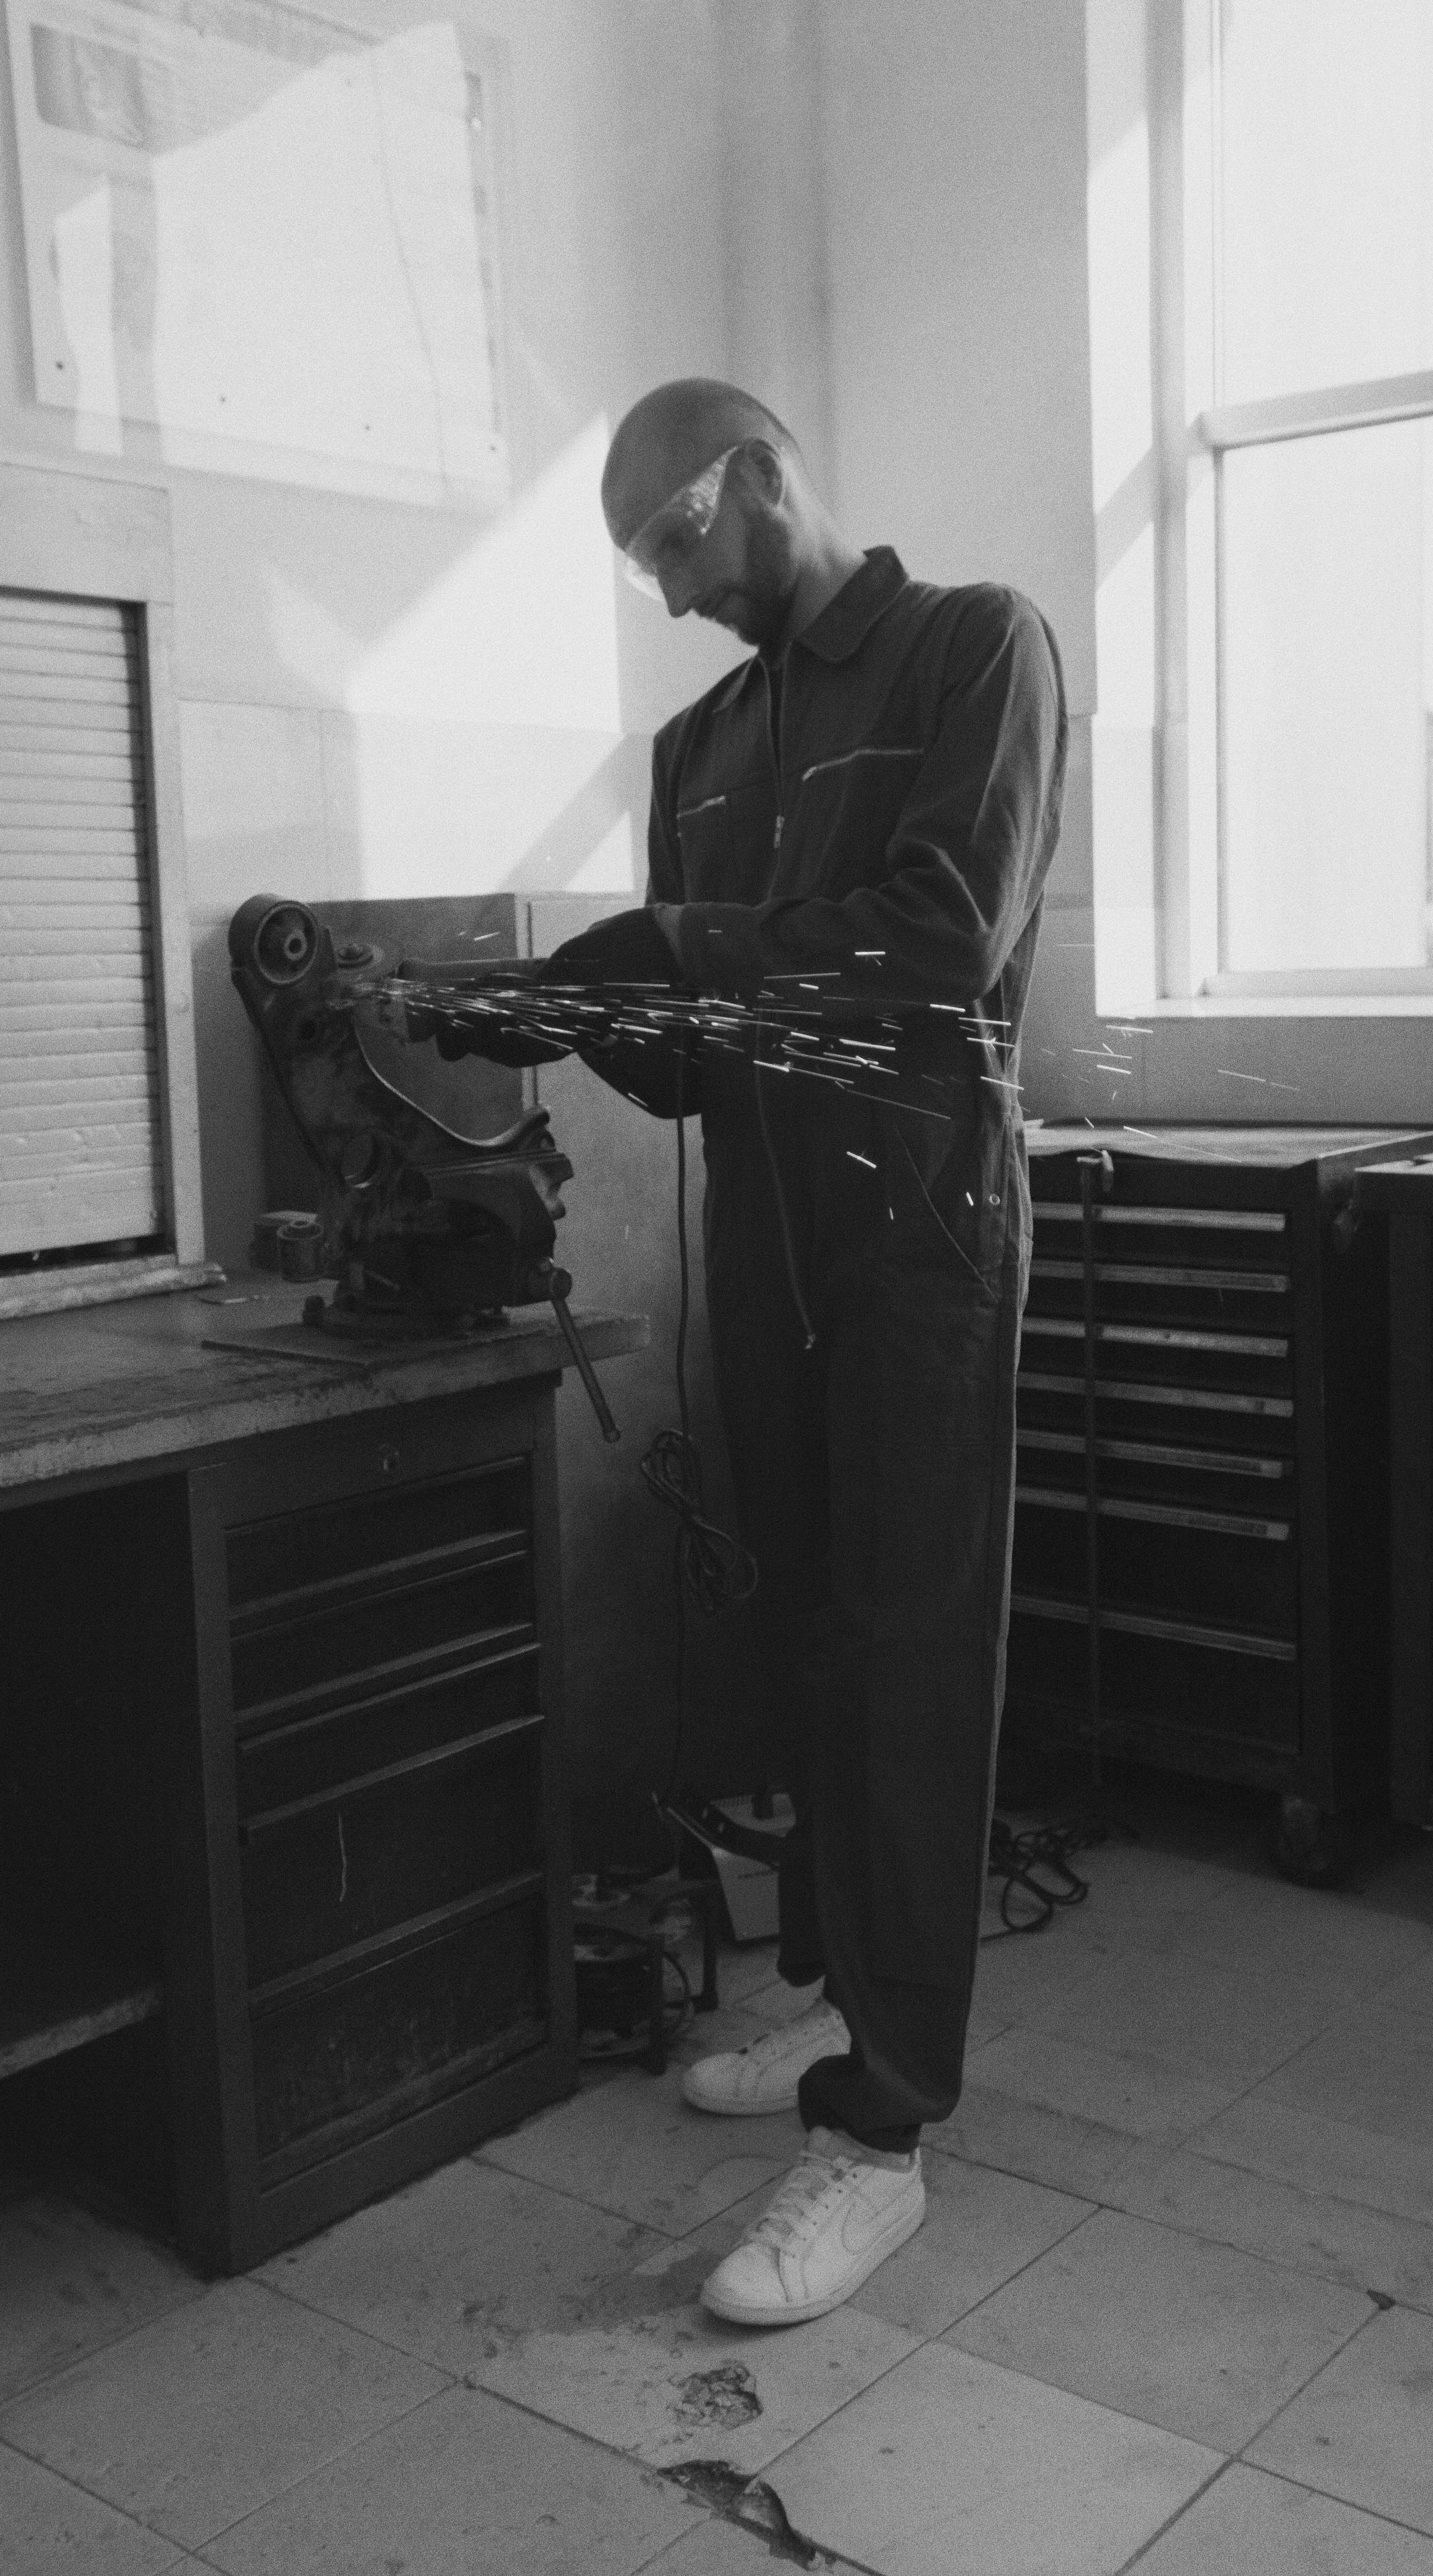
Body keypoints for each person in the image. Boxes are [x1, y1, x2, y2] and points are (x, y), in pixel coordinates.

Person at [492, 379, 1065, 2326]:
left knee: (905, 1661)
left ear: (750, 476)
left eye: (670, 541)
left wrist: (671, 951)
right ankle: (831, 1982)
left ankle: (882, 2135)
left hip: (917, 1239)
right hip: (772, 1247)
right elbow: (699, 1042)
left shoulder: (972, 648)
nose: (664, 591)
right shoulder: (702, 742)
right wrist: (574, 1017)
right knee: (797, 1631)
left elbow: (940, 934)